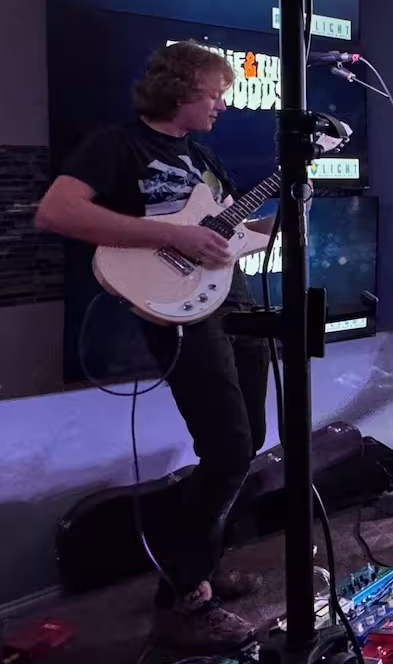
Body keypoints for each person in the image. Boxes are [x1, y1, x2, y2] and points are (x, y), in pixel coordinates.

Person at [35, 42, 271, 650]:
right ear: (180, 88)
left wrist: (286, 218)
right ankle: (183, 596)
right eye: (214, 91)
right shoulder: (119, 144)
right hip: (180, 314)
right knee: (227, 449)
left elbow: (229, 237)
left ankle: (203, 565)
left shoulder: (206, 158)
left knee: (244, 444)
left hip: (234, 306)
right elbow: (55, 212)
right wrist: (174, 234)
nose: (223, 102)